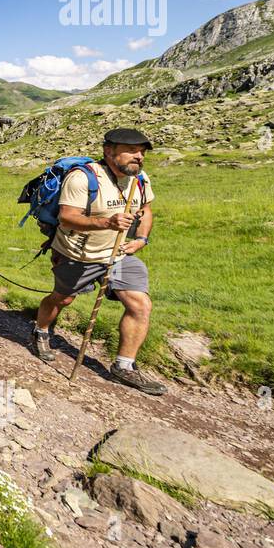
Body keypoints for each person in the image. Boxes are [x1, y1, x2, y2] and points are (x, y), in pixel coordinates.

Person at [30, 128, 164, 395]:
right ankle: (41, 330)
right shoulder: (83, 178)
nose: (139, 156)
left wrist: (141, 239)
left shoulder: (140, 179)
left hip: (118, 255)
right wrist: (107, 222)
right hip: (78, 255)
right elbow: (67, 217)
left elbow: (146, 211)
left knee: (140, 304)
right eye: (132, 150)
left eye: (142, 151)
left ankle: (124, 367)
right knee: (62, 299)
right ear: (109, 151)